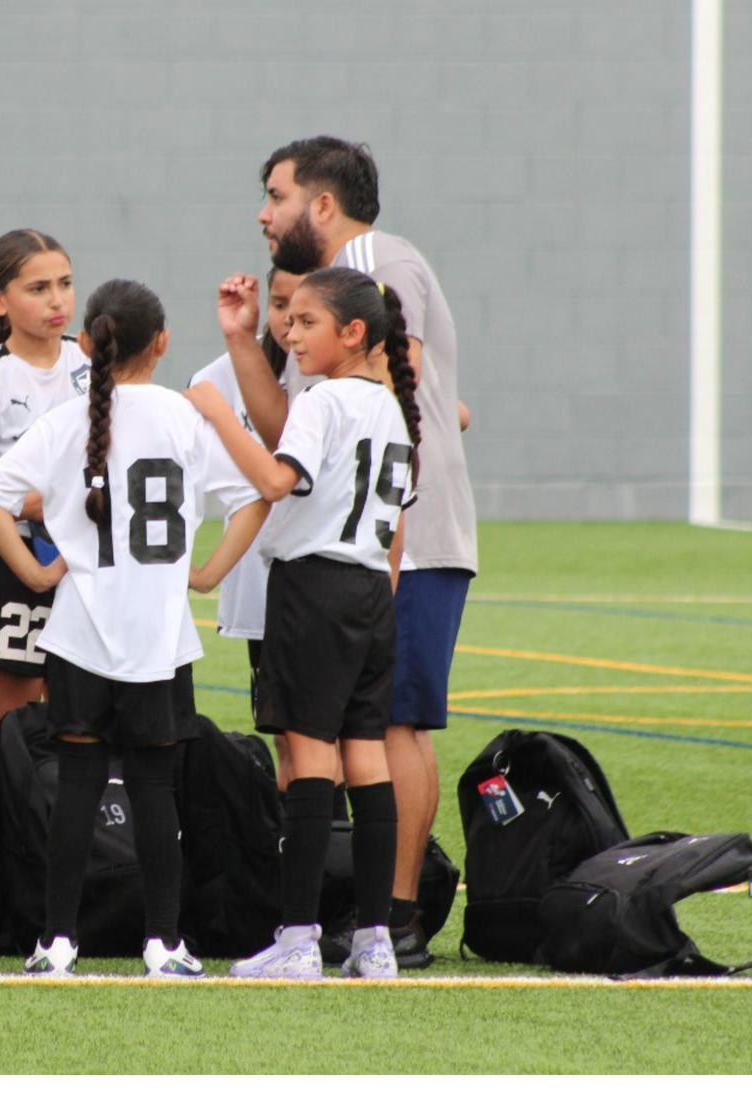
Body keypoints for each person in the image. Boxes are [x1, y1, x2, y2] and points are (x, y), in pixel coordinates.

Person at [0, 278, 261, 981]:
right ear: (161, 344)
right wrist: (207, 573)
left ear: (85, 344)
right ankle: (163, 942)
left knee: (76, 787)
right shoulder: (186, 418)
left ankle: (57, 942)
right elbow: (253, 498)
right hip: (159, 637)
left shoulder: (64, 420)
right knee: (155, 790)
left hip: (79, 635)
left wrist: (36, 572)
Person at [248, 137, 477, 967]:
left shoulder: (370, 260)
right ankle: (380, 923)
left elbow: (399, 378)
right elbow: (439, 404)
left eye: (277, 196)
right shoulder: (350, 307)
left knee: (391, 730)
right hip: (382, 540)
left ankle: (396, 918)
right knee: (378, 732)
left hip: (386, 545)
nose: (264, 215)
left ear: (322, 204)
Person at [188, 267, 421, 980]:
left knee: (311, 759)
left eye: (307, 322)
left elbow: (274, 481)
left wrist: (216, 410)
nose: (291, 333)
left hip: (314, 588)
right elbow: (396, 523)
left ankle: (297, 940)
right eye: (289, 320)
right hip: (368, 591)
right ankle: (375, 939)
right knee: (366, 758)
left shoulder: (323, 401)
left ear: (353, 333)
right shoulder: (391, 408)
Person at [0, 229, 89, 731]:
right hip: (17, 565)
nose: (57, 300)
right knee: (16, 728)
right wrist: (35, 505)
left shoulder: (91, 365)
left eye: (65, 283)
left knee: (84, 722)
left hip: (86, 563)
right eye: (38, 288)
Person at [188, 267, 300, 781]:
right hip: (263, 578)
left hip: (324, 578)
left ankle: (339, 834)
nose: (290, 321)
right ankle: (300, 829)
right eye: (279, 305)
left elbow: (272, 483)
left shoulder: (336, 380)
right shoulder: (222, 373)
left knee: (338, 738)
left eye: (303, 309)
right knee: (287, 737)